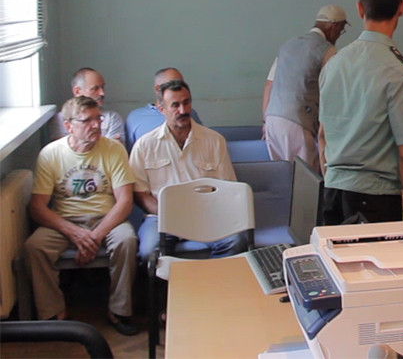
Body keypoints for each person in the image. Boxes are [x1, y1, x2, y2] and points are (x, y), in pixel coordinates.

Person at [318, 0, 403, 225]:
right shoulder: (400, 72)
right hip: (376, 198)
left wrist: (333, 181)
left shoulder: (334, 64)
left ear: (360, 9)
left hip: (333, 192)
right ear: (402, 8)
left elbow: (322, 135)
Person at [24, 96, 138, 335]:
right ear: (69, 126)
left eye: (98, 118)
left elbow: (125, 201)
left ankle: (119, 310)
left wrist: (94, 236)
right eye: (87, 120)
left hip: (106, 218)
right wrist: (74, 232)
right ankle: (54, 313)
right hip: (65, 220)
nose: (96, 125)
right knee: (35, 247)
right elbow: (37, 207)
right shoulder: (51, 154)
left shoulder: (113, 149)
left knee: (127, 240)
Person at [129, 80, 245, 262]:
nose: (183, 110)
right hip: (161, 217)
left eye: (186, 102)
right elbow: (139, 193)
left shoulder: (214, 140)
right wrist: (167, 214)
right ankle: (170, 282)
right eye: (175, 105)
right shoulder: (145, 145)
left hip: (206, 213)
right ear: (161, 109)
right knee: (148, 251)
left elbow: (227, 187)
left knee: (236, 241)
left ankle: (210, 279)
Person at [263, 4, 349, 171]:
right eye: (341, 30)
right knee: (305, 178)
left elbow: (269, 84)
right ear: (334, 26)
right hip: (297, 121)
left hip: (272, 120)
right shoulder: (327, 50)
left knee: (283, 175)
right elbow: (334, 91)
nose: (339, 35)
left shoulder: (289, 45)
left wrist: (265, 122)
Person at [125, 67, 202, 149]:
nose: (179, 90)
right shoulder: (136, 117)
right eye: (172, 86)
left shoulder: (190, 114)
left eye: (181, 84)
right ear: (157, 89)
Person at [53, 68, 124, 143]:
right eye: (95, 89)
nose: (102, 93)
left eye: (102, 87)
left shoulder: (112, 118)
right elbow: (63, 148)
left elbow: (114, 148)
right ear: (77, 91)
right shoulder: (60, 120)